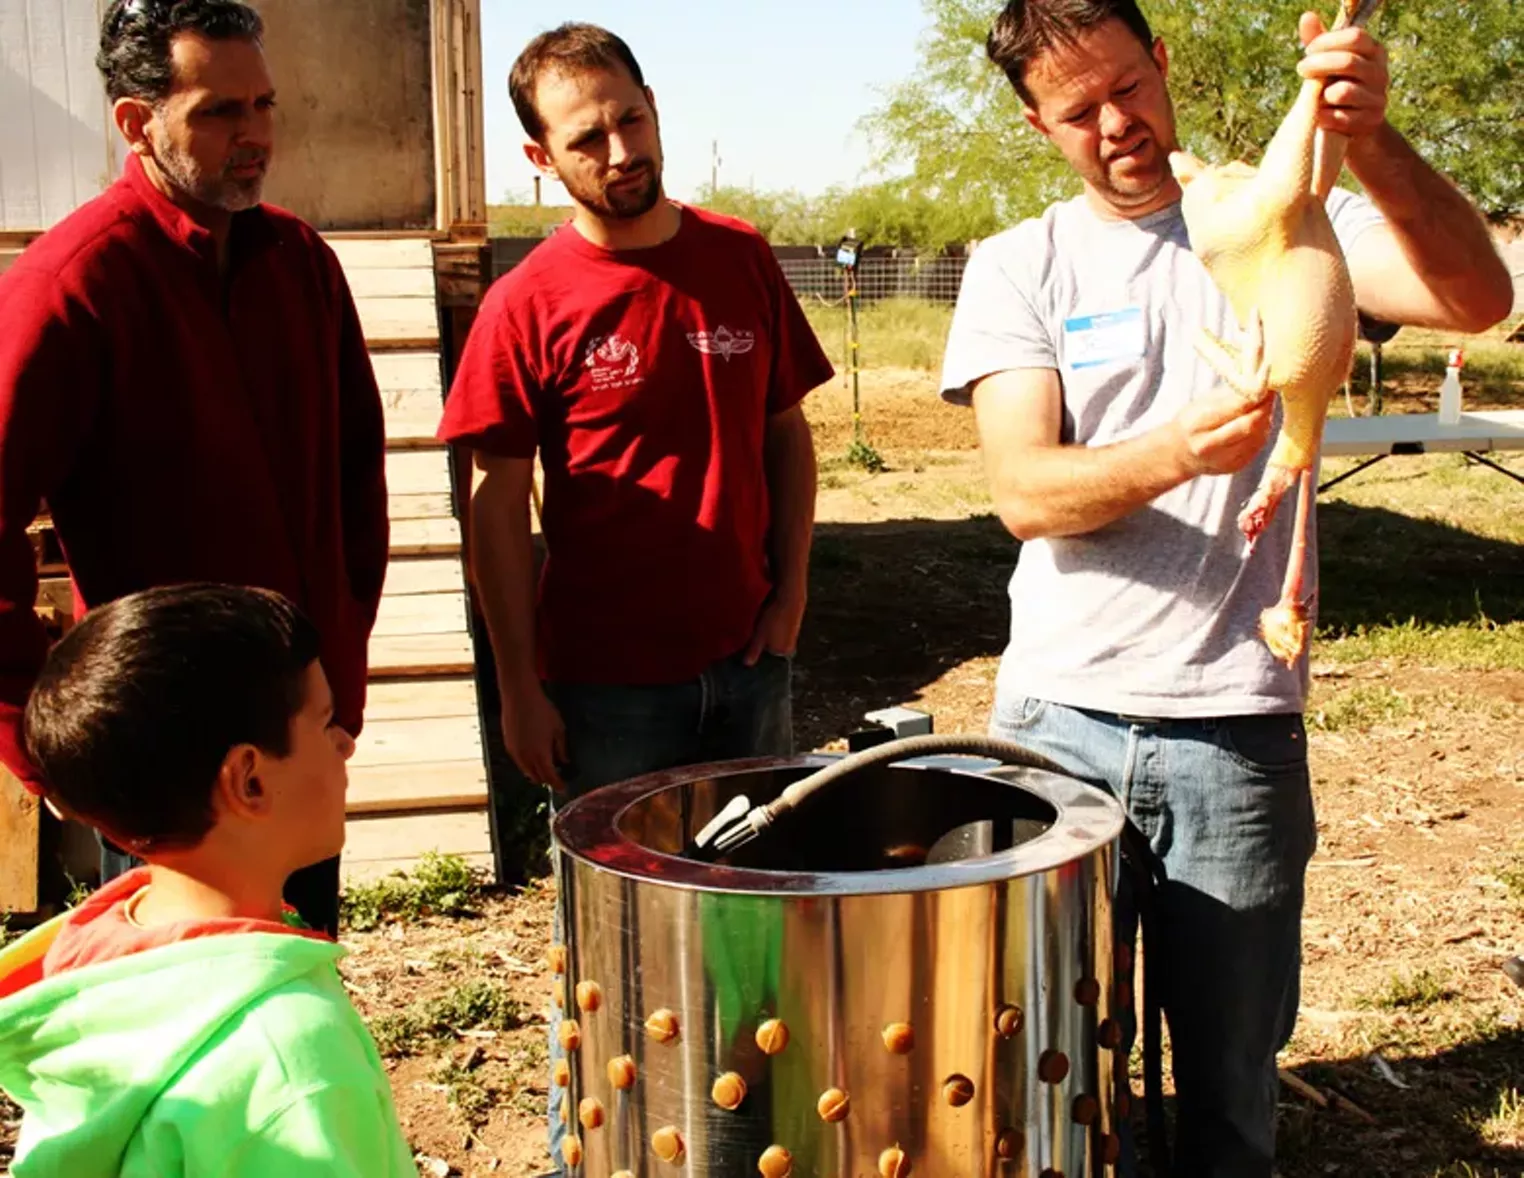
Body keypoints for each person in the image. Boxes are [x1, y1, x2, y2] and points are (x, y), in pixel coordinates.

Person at [939, 2, 1512, 1175]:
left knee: (1231, 1097)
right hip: (1060, 724)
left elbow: (1476, 298)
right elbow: (1025, 491)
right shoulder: (1020, 264)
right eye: (1077, 110)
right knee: (1049, 1077)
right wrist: (1175, 452)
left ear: (1162, 63)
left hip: (1237, 733)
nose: (1117, 124)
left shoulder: (1297, 213)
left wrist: (1371, 137)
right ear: (1036, 123)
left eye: (1127, 87)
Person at [436, 23, 832, 1171]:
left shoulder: (740, 256)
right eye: (585, 136)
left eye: (630, 117)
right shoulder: (529, 304)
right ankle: (594, 1151)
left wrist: (789, 597)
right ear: (540, 159)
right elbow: (495, 509)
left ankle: (748, 1141)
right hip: (607, 689)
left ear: (654, 106)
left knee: (756, 927)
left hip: (750, 665)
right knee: (615, 949)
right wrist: (518, 683)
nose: (618, 148)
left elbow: (787, 435)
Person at [0, 0, 389, 935]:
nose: (255, 136)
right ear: (137, 123)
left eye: (263, 105)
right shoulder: (72, 288)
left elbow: (356, 493)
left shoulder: (302, 265)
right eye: (220, 112)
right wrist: (40, 742)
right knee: (194, 1029)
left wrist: (338, 681)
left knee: (297, 986)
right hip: (165, 767)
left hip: (298, 737)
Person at [0, 584, 415, 1177]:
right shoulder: (288, 1060)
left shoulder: (94, 958)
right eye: (325, 723)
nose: (345, 743)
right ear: (249, 780)